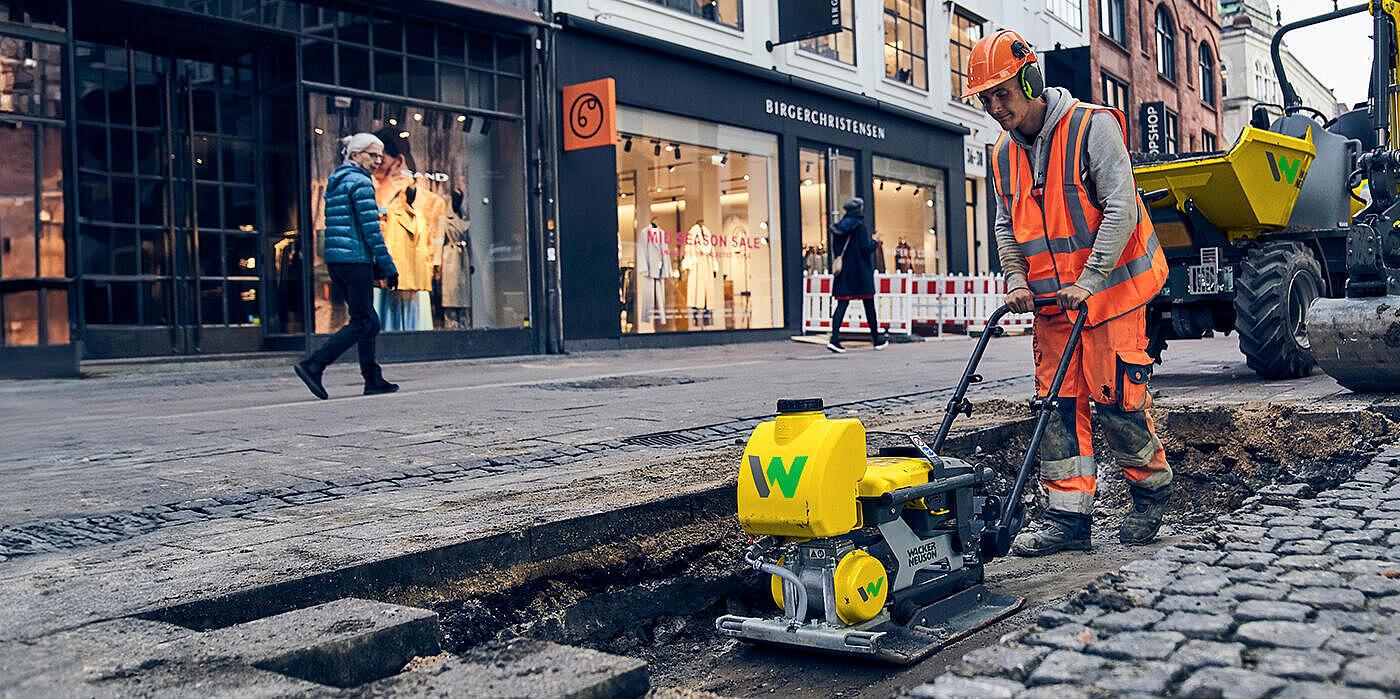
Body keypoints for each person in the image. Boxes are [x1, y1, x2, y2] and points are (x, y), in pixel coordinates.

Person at [967, 30, 1172, 555]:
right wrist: (1016, 279)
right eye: (986, 99)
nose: (995, 108)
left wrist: (1090, 279)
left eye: (1001, 94)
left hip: (1112, 293)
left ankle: (1150, 493)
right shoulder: (1002, 155)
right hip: (1054, 305)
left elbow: (1121, 209)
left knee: (1116, 399)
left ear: (1030, 80)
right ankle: (1068, 519)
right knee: (1057, 408)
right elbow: (1005, 224)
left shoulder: (1091, 127)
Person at [294, 133, 401, 399]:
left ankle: (372, 378)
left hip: (338, 262)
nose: (377, 161)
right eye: (372, 155)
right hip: (355, 261)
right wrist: (388, 266)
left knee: (368, 321)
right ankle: (314, 365)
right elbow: (371, 230)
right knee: (364, 321)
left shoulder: (337, 180)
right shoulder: (361, 182)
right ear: (355, 155)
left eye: (380, 156)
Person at [827, 197, 888, 353]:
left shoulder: (838, 228)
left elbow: (836, 250)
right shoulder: (860, 227)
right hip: (860, 273)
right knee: (869, 305)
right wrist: (875, 242)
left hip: (844, 273)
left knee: (841, 305)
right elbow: (864, 249)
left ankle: (834, 339)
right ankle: (876, 339)